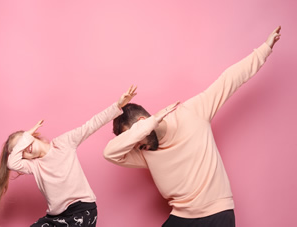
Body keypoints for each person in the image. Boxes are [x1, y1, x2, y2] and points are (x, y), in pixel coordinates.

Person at [104, 26, 281, 227]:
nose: (135, 145)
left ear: (142, 122)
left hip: (217, 213)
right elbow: (109, 154)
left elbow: (229, 81)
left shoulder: (192, 112)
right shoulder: (144, 151)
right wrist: (145, 128)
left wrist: (264, 49)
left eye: (135, 136)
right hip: (182, 217)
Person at [0, 85, 137, 227]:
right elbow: (11, 163)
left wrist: (117, 105)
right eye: (20, 149)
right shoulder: (33, 165)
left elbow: (91, 125)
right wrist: (26, 136)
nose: (25, 147)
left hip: (82, 210)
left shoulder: (63, 143)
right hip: (56, 217)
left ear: (36, 136)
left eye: (24, 140)